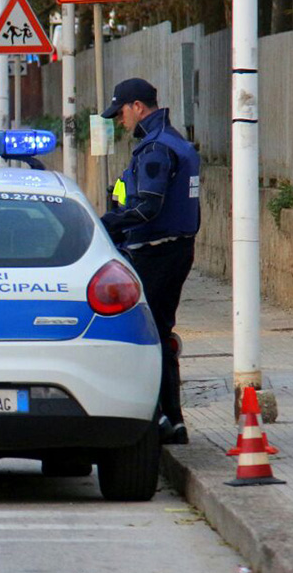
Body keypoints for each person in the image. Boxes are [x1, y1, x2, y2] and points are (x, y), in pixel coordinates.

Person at [99, 78, 200, 445]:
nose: (120, 120)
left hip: (155, 253)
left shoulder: (154, 149)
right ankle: (172, 419)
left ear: (138, 107)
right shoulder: (176, 142)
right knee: (159, 332)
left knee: (145, 337)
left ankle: (161, 418)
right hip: (176, 249)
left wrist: (103, 224)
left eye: (121, 112)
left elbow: (147, 206)